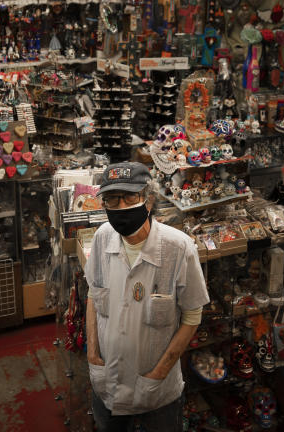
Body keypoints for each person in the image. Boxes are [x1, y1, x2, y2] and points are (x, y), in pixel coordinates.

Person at [84, 162, 209, 432]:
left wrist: (160, 372)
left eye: (130, 197)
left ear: (149, 200)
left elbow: (192, 315)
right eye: (111, 200)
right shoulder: (102, 238)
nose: (120, 208)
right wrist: (93, 353)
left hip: (157, 388)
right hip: (108, 378)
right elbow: (94, 295)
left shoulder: (178, 247)